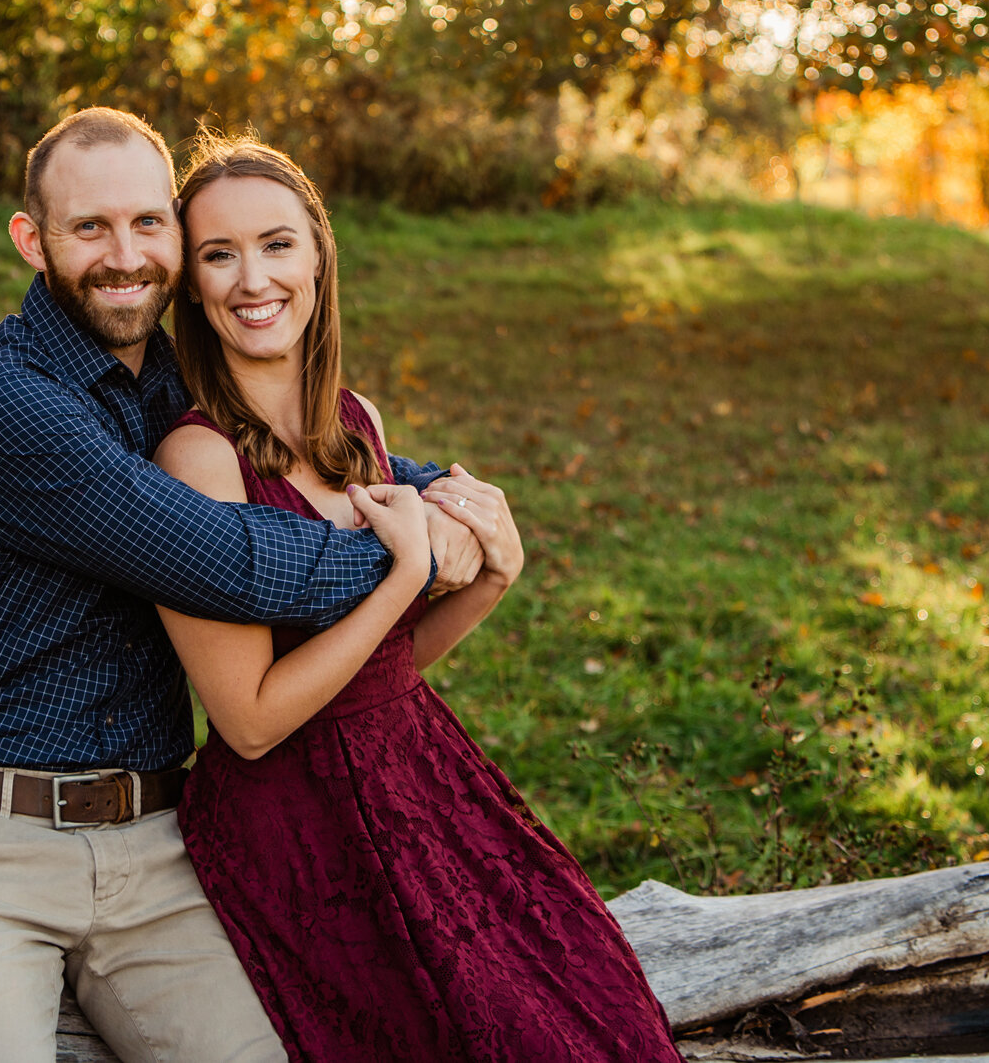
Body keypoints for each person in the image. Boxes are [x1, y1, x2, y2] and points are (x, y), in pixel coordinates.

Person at [0, 107, 483, 1063]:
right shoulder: (6, 402)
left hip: (157, 844)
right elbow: (228, 560)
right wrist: (414, 554)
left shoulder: (172, 379)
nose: (126, 256)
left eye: (149, 223)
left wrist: (439, 489)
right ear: (33, 242)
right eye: (90, 229)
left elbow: (308, 464)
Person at [154, 137, 684, 1063]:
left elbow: (385, 668)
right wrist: (402, 573)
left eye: (276, 244)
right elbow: (247, 720)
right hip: (298, 820)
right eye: (218, 254)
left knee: (591, 1006)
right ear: (192, 285)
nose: (252, 279)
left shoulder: (355, 421)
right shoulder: (197, 459)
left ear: (318, 255)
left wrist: (492, 577)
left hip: (417, 768)